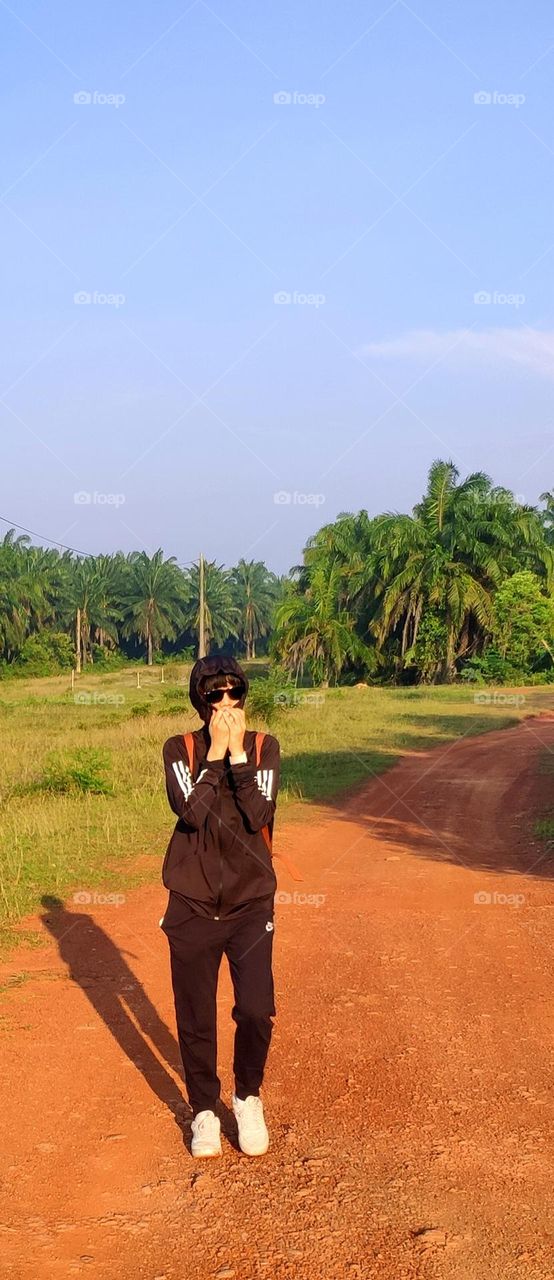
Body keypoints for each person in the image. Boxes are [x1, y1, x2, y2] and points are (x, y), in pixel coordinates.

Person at [160, 655, 280, 1158]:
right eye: (215, 695)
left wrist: (237, 760)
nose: (227, 704)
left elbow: (258, 813)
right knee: (195, 1015)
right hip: (192, 903)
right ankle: (204, 1110)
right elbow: (191, 812)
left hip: (251, 904)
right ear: (200, 700)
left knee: (256, 1010)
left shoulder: (264, 748)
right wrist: (213, 755)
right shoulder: (180, 750)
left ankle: (247, 1097)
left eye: (235, 694)